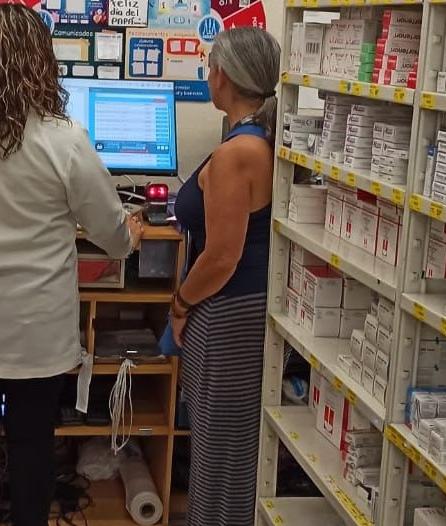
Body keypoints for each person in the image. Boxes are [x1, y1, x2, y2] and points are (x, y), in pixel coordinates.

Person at [0, 3, 144, 526]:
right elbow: (109, 233)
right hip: (35, 328)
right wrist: (128, 237)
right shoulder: (64, 139)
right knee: (33, 442)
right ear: (42, 61)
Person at [170, 26, 280, 525]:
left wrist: (180, 304)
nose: (206, 74)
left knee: (222, 457)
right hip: (237, 308)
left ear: (225, 77)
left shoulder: (238, 153)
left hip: (231, 313)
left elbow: (221, 257)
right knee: (221, 448)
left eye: (210, 66)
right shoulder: (250, 140)